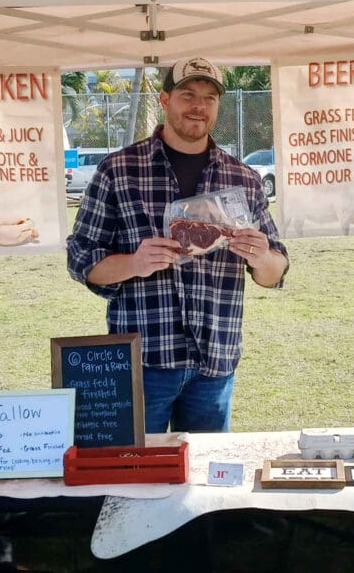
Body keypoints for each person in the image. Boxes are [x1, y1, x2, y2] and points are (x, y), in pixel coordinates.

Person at [67, 57, 289, 433]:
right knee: (135, 473)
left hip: (213, 363)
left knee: (201, 483)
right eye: (188, 95)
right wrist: (135, 263)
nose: (199, 106)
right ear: (165, 100)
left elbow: (275, 272)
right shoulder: (119, 171)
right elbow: (80, 259)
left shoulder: (243, 178)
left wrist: (261, 255)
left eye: (209, 98)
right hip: (143, 363)